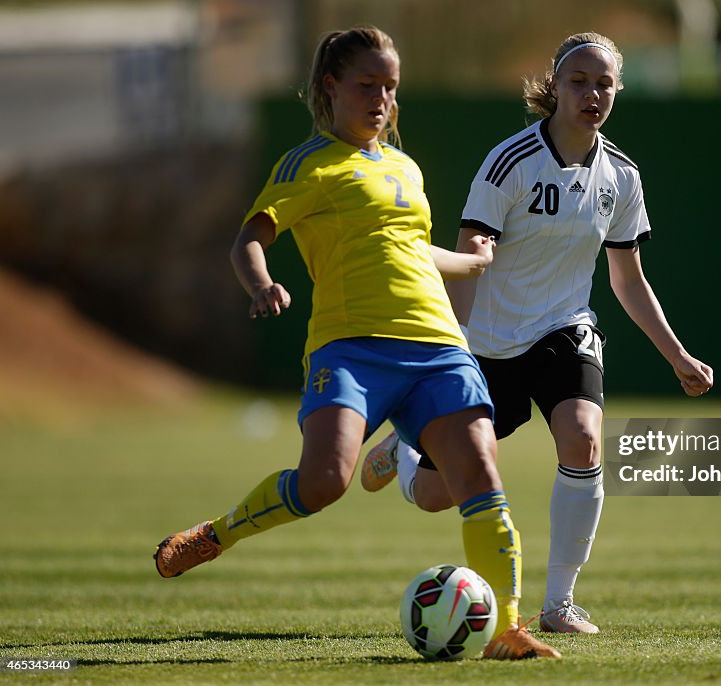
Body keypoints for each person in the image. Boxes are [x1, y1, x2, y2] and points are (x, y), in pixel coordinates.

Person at [153, 26, 560, 660]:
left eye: (390, 87)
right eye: (367, 85)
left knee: (480, 474)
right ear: (330, 87)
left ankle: (507, 629)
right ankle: (217, 533)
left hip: (437, 347)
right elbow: (249, 239)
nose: (381, 99)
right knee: (322, 483)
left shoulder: (404, 165)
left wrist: (469, 263)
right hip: (352, 348)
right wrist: (260, 284)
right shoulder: (308, 164)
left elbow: (406, 250)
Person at [360, 32, 714, 634]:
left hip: (564, 331)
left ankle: (558, 605)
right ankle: (408, 446)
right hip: (488, 344)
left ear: (616, 92)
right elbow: (473, 248)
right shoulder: (511, 161)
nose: (591, 94)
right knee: (433, 494)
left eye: (603, 84)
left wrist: (677, 354)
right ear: (554, 87)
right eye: (578, 81)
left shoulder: (622, 177)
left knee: (583, 439)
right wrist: (456, 343)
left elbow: (627, 278)